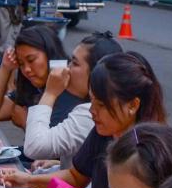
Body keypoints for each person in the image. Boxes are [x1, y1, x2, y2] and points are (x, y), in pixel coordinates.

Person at [0, 52, 166, 188]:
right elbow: (76, 176)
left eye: (101, 105)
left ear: (132, 105)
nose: (92, 111)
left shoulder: (153, 150)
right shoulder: (102, 133)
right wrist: (28, 181)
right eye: (92, 101)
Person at [22, 31, 123, 166]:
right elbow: (85, 169)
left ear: (97, 72)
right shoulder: (93, 104)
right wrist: (57, 164)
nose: (67, 69)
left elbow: (34, 147)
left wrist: (50, 93)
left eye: (74, 63)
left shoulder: (90, 113)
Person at [0, 25, 66, 130]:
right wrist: (5, 68)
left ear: (50, 54)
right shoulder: (31, 88)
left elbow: (56, 144)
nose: (26, 69)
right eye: (21, 63)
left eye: (31, 60)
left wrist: (26, 124)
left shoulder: (70, 90)